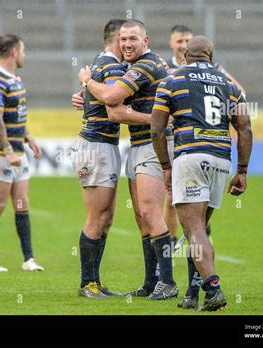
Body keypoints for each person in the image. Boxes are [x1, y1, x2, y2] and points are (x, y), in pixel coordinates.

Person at [78, 19, 178, 301]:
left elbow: (113, 101)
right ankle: (150, 283)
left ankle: (167, 281)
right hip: (138, 145)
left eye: (133, 39)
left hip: (152, 145)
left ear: (145, 41)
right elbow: (108, 98)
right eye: (123, 40)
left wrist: (87, 82)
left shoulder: (147, 64)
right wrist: (87, 96)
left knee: (149, 213)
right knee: (140, 217)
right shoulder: (130, 67)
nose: (127, 44)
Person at [151, 35, 253, 311]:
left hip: (190, 157)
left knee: (193, 229)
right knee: (200, 230)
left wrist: (165, 167)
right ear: (211, 55)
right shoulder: (230, 86)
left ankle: (214, 289)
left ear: (186, 56)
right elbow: (244, 128)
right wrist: (242, 170)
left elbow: (157, 129)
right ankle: (192, 293)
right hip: (221, 159)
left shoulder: (171, 82)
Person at [71, 19, 151, 298]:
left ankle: (94, 282)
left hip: (102, 146)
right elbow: (114, 104)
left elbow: (99, 96)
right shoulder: (112, 65)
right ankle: (87, 284)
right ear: (118, 39)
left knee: (106, 216)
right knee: (98, 216)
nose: (130, 45)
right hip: (95, 147)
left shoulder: (102, 64)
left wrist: (84, 90)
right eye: (126, 39)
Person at [0, 34, 44, 273]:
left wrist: (28, 137)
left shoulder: (15, 79)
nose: (24, 54)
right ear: (15, 52)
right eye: (23, 50)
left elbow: (13, 116)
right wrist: (7, 151)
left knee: (22, 203)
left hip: (18, 152)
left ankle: (29, 259)